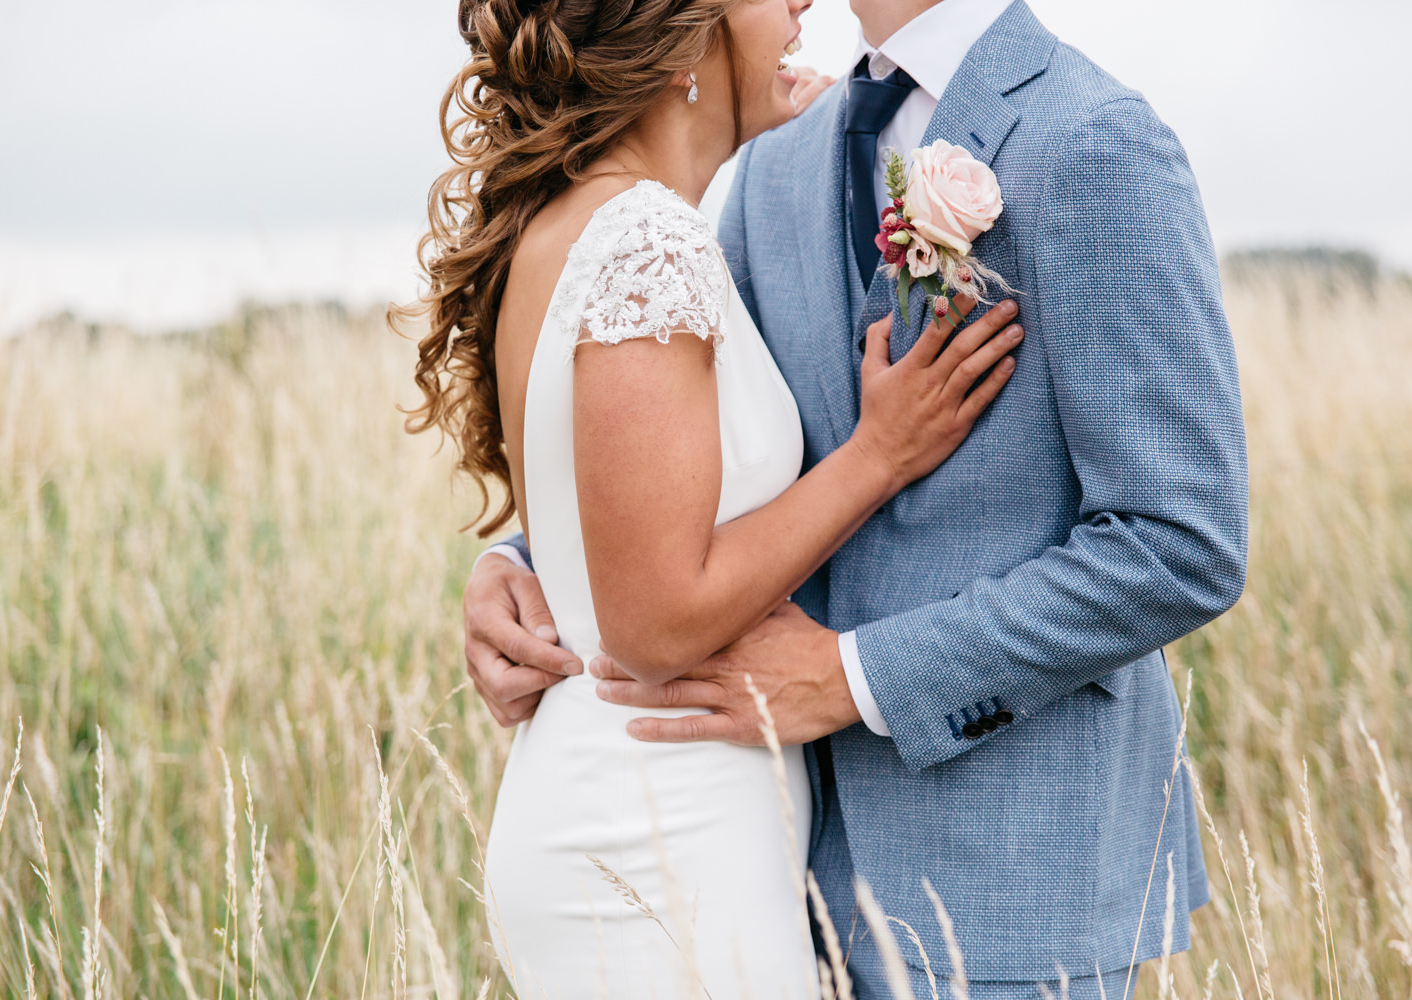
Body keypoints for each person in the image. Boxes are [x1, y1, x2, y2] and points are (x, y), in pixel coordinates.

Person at [466, 0, 1251, 996]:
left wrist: (858, 678)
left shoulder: (1094, 140)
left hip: (1004, 902)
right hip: (770, 879)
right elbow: (698, 445)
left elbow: (1179, 542)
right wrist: (527, 566)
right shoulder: (778, 154)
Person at [398, 0, 1025, 995]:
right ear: (688, 33)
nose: (802, 7)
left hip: (634, 800)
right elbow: (655, 620)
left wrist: (507, 560)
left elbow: (602, 504)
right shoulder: (647, 236)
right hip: (659, 821)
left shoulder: (578, 218)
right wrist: (878, 456)